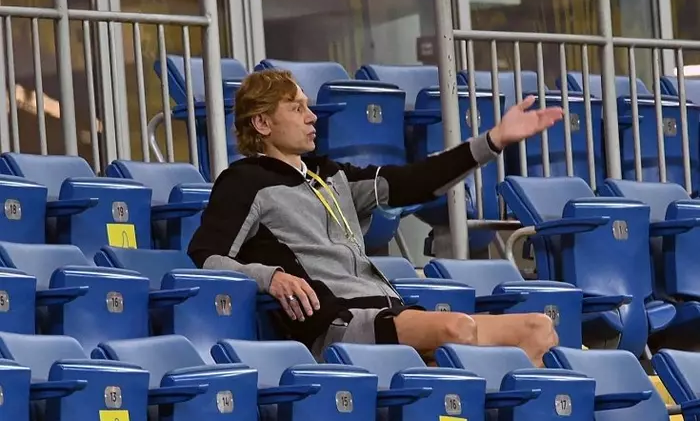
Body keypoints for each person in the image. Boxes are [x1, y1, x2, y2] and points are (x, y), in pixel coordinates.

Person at [188, 68, 564, 366]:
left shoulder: (330, 175)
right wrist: (270, 277)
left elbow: (416, 181)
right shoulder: (243, 181)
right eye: (297, 108)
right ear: (262, 123)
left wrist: (493, 140)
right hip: (339, 322)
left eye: (308, 106)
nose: (312, 117)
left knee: (538, 329)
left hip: (388, 310)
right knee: (456, 329)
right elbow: (207, 258)